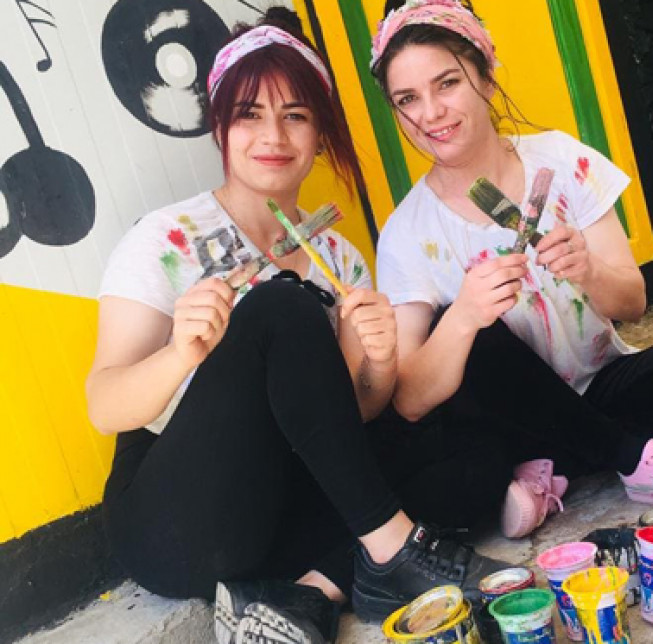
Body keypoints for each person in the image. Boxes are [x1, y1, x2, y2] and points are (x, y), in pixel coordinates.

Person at [86, 9, 506, 643]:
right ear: (220, 128)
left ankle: (312, 594)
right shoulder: (165, 240)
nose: (273, 135)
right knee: (280, 304)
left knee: (468, 454)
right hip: (177, 520)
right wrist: (178, 352)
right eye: (250, 114)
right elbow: (104, 405)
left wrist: (381, 363)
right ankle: (394, 554)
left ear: (319, 133)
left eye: (296, 116)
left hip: (281, 502)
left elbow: (349, 421)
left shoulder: (337, 256)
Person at [370, 0, 653, 540]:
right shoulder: (407, 231)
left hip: (597, 387)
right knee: (470, 333)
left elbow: (632, 303)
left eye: (448, 83)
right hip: (506, 422)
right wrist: (463, 319)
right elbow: (407, 398)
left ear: (487, 75)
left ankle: (557, 471)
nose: (431, 112)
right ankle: (635, 459)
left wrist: (587, 270)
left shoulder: (561, 161)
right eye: (408, 99)